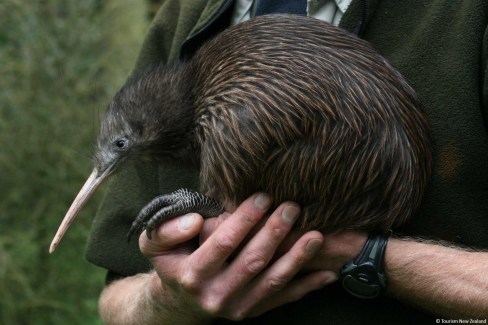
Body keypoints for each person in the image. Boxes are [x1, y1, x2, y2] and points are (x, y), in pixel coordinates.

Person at [85, 0, 488, 323]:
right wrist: (167, 300)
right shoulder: (188, 14)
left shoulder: (463, 15)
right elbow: (118, 296)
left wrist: (365, 256)